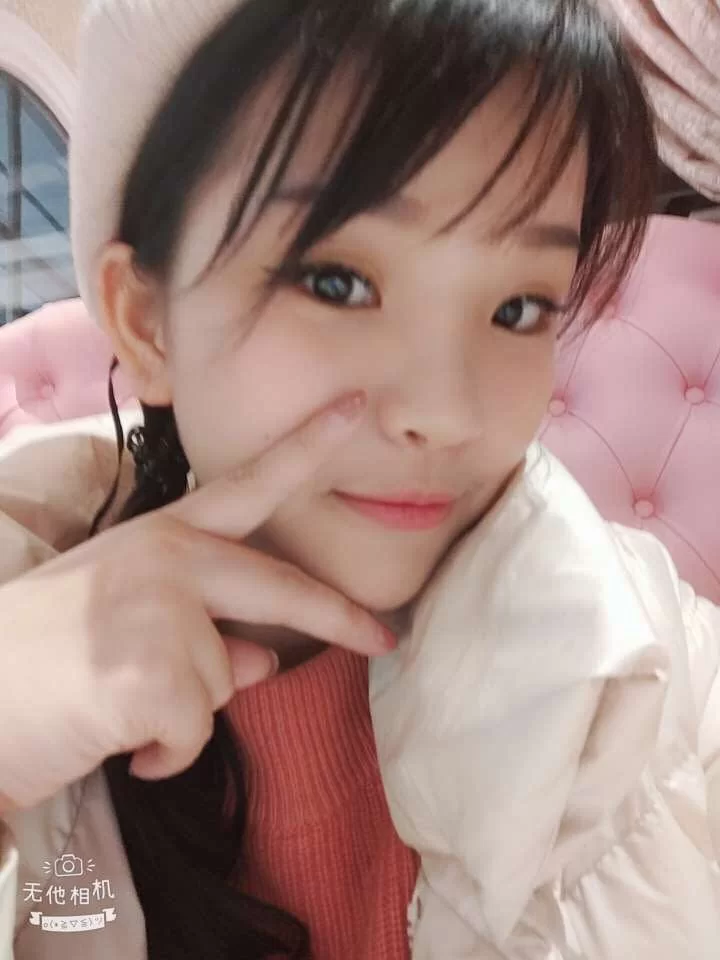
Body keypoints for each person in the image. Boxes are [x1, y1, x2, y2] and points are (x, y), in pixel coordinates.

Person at [2, 0, 713, 957]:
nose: (447, 412)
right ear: (147, 321)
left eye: (518, 306)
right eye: (338, 282)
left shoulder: (655, 666)